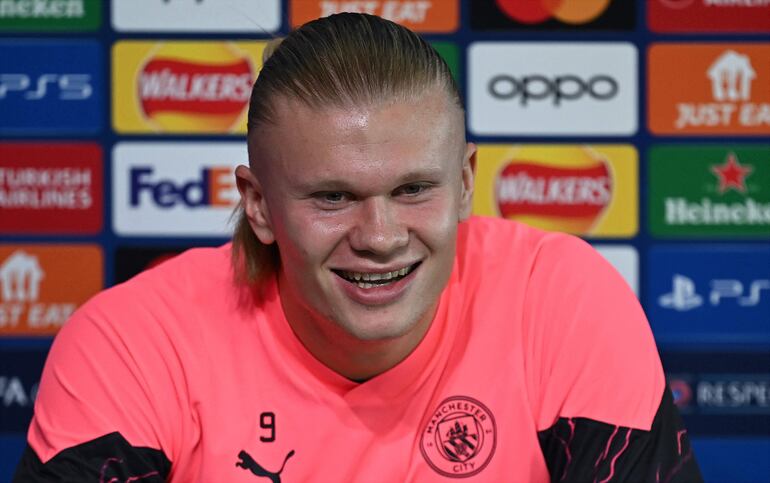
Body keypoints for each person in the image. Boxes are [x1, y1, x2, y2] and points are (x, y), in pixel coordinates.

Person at [15, 13, 701, 482]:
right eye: (332, 197)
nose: (379, 237)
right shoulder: (130, 344)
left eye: (412, 189)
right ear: (259, 204)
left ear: (465, 183)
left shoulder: (562, 302)